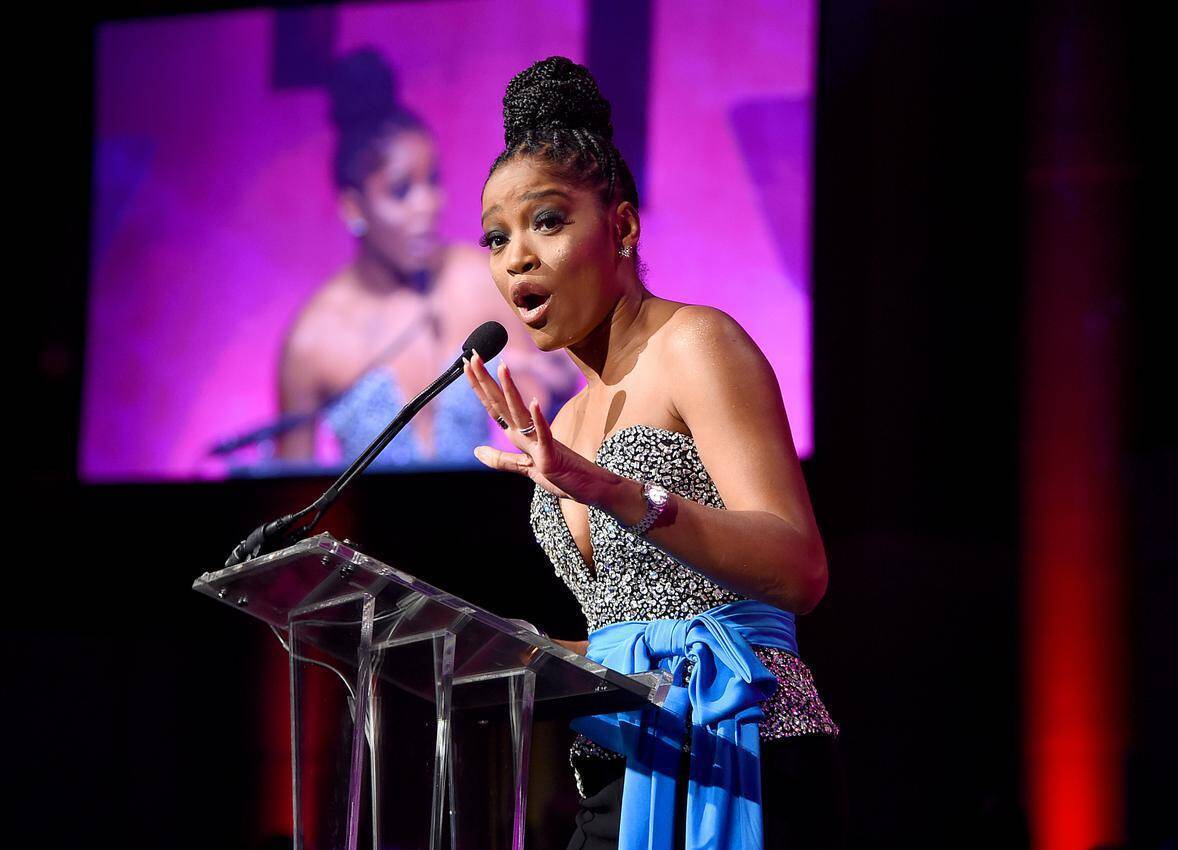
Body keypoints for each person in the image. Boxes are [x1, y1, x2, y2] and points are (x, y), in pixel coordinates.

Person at [461, 57, 848, 849]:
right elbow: (630, 629)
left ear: (624, 226)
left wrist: (614, 492)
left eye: (547, 221)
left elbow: (800, 568)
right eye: (497, 238)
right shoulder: (565, 422)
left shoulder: (694, 344)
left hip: (747, 753)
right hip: (621, 770)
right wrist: (527, 653)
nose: (517, 257)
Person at [277, 47, 572, 468]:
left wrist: (553, 390)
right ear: (353, 207)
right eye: (401, 191)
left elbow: (536, 412)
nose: (428, 205)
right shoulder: (313, 340)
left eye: (432, 182)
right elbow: (290, 491)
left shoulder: (479, 279)